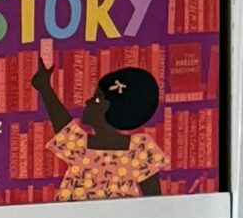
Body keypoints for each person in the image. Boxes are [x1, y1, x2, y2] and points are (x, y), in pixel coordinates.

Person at [30, 55, 169, 202]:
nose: (87, 101)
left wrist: (44, 87)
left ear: (110, 108)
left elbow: (154, 203)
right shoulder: (80, 146)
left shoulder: (140, 148)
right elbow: (62, 123)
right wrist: (44, 87)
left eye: (97, 99)